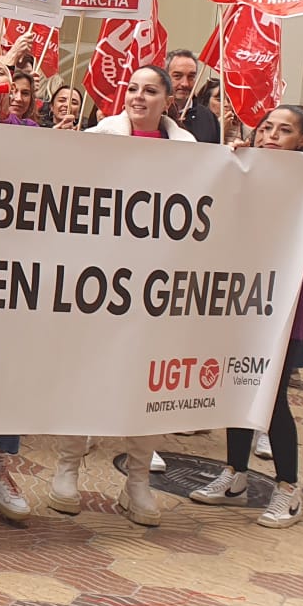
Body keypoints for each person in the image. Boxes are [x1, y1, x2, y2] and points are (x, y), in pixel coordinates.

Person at [51, 64, 197, 527]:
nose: (138, 96)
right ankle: (67, 469)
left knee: (146, 380)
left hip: (157, 286)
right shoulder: (98, 137)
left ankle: (137, 482)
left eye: (150, 91)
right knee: (84, 372)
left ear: (167, 101)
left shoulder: (192, 153)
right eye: (132, 88)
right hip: (99, 280)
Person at [190, 105, 303, 528]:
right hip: (235, 300)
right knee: (235, 387)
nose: (271, 135)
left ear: (302, 141)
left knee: (271, 399)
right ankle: (235, 474)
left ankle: (288, 489)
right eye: (266, 127)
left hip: (281, 307)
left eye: (284, 130)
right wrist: (228, 164)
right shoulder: (242, 168)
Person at [165, 50, 221, 142]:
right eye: (177, 76)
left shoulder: (208, 117)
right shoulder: (155, 114)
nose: (185, 84)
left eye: (191, 77)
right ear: (165, 77)